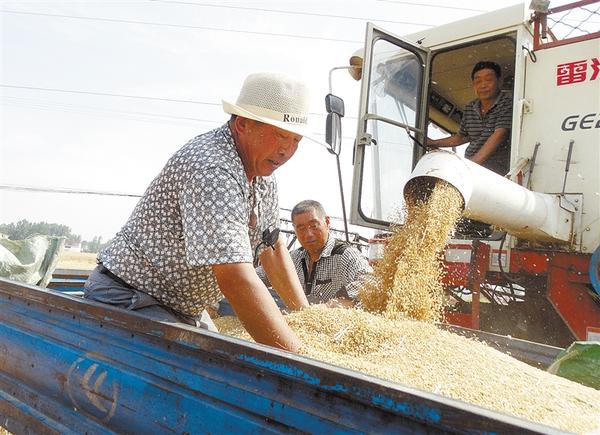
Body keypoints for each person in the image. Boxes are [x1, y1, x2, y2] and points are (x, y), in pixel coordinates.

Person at [84, 72, 318, 352]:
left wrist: (308, 317)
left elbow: (272, 247)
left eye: (296, 140)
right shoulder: (212, 169)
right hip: (132, 296)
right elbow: (235, 277)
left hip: (182, 307)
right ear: (243, 123)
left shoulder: (262, 173)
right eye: (280, 135)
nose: (286, 150)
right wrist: (302, 360)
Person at [256, 200, 372, 307]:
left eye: (314, 226)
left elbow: (370, 283)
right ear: (294, 229)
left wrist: (330, 306)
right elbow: (260, 276)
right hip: (300, 324)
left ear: (327, 222)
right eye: (301, 228)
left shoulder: (345, 255)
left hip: (336, 325)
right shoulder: (294, 257)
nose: (308, 234)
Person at [427, 60, 513, 175]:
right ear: (473, 85)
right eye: (478, 81)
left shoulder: (507, 102)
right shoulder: (470, 107)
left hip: (497, 172)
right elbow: (462, 137)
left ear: (499, 81)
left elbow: (499, 135)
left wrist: (471, 166)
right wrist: (433, 143)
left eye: (488, 80)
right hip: (473, 168)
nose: (483, 85)